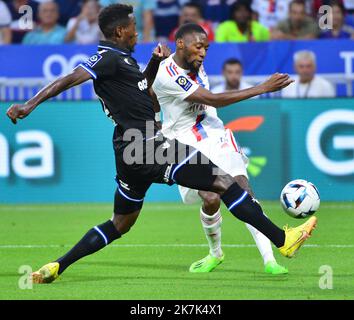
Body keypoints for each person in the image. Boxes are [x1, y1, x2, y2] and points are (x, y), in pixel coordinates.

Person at [6, 6, 316, 284]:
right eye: (132, 27)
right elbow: (70, 78)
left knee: (120, 224)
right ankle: (282, 240)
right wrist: (29, 105)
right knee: (223, 180)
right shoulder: (106, 57)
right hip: (145, 144)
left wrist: (153, 65)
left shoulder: (124, 62)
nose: (137, 31)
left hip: (130, 150)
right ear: (118, 32)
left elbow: (143, 92)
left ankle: (57, 265)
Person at [152, 41, 287, 274]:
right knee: (211, 197)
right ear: (183, 46)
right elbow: (210, 99)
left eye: (205, 48)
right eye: (198, 47)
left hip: (215, 135)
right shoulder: (166, 73)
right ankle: (215, 253)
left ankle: (270, 260)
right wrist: (262, 87)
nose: (203, 53)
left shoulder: (193, 62)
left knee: (244, 190)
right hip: (186, 143)